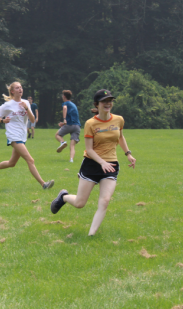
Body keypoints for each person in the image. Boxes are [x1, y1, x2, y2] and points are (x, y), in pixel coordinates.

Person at [50, 89, 136, 236]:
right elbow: (89, 150)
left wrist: (128, 153)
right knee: (80, 203)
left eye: (110, 100)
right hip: (91, 164)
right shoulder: (90, 123)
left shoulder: (119, 120)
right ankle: (63, 196)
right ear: (97, 104)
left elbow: (120, 137)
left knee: (105, 200)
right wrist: (102, 162)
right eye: (104, 101)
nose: (108, 103)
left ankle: (91, 234)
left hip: (111, 165)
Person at [0, 82, 54, 189]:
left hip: (22, 136)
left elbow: (33, 120)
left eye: (21, 87)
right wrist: (3, 120)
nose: (20, 89)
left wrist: (26, 108)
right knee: (30, 160)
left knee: (12, 163)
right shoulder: (8, 105)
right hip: (13, 136)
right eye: (17, 88)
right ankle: (44, 184)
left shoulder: (26, 102)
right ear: (12, 91)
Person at [55, 90, 81, 163]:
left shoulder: (65, 103)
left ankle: (62, 142)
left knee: (57, 135)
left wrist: (64, 119)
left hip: (70, 125)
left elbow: (65, 108)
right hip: (77, 126)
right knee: (72, 145)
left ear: (64, 96)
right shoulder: (73, 105)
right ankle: (71, 160)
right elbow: (73, 117)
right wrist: (63, 123)